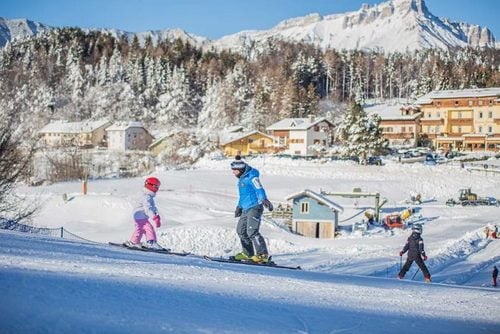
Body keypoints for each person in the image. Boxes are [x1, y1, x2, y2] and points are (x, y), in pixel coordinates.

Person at [231, 155, 273, 263]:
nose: (233, 172)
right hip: (245, 208)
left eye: (234, 170)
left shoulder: (252, 177)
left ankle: (262, 255)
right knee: (241, 231)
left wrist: (264, 199)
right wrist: (239, 207)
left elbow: (259, 188)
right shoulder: (241, 180)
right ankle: (248, 253)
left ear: (240, 169)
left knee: (252, 232)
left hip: (255, 207)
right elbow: (243, 196)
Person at [124, 176, 163, 249]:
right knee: (149, 228)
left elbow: (151, 207)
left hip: (138, 216)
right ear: (151, 186)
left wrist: (155, 214)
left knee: (140, 229)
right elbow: (148, 208)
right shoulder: (147, 197)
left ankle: (134, 242)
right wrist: (154, 217)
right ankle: (151, 243)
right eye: (156, 186)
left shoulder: (145, 195)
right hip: (141, 216)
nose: (157, 189)